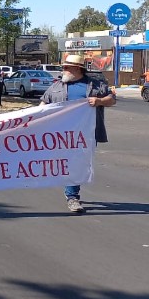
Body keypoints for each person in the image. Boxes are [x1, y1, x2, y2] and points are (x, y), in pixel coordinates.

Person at [41, 53, 116, 214]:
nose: (63, 70)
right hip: (60, 134)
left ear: (77, 69)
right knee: (67, 163)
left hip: (85, 134)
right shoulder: (56, 86)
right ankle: (71, 193)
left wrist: (100, 101)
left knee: (76, 163)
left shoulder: (94, 85)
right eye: (63, 68)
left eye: (66, 67)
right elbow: (43, 104)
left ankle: (72, 196)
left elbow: (112, 99)